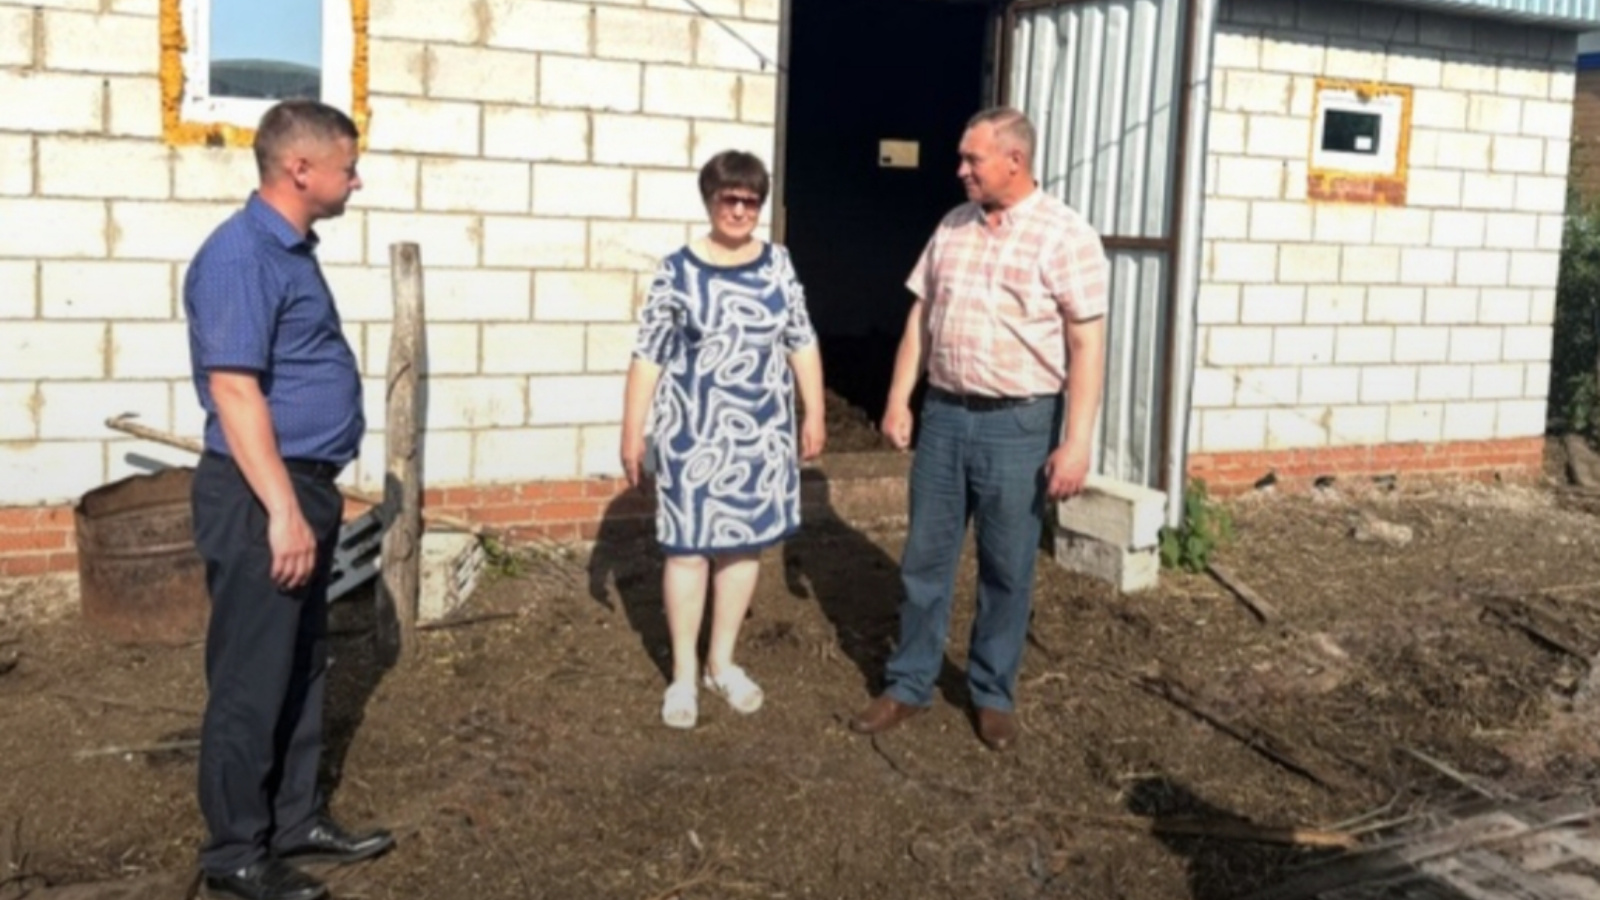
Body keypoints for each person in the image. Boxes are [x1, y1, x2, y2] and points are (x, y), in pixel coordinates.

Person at [848, 106, 1109, 752]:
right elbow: (920, 318)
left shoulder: (1066, 235)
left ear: (1014, 161)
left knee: (1007, 566)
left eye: (973, 159)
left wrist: (1077, 441)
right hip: (945, 416)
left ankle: (992, 692)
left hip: (1020, 424)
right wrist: (899, 399)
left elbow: (1087, 345)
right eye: (963, 158)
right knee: (924, 560)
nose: (960, 169)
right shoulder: (953, 226)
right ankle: (909, 682)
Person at [185, 99, 393, 900]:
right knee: (251, 676)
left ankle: (294, 819)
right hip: (259, 496)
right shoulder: (240, 257)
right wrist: (280, 511)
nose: (356, 180)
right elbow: (235, 392)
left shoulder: (289, 251)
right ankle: (235, 853)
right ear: (300, 169)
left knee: (302, 662)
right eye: (348, 167)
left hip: (302, 487)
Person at [621, 150, 826, 730]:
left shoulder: (779, 265)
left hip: (760, 436)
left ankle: (722, 663)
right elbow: (648, 354)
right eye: (728, 199)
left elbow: (801, 338)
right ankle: (683, 675)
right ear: (709, 200)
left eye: (750, 201)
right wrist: (632, 432)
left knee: (742, 548)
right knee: (687, 550)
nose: (739, 210)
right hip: (692, 435)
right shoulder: (677, 271)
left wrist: (814, 411)